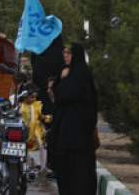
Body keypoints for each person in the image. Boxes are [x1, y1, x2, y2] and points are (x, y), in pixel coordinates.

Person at [47, 43, 98, 195]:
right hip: (65, 129)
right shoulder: (66, 73)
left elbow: (65, 96)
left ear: (76, 55)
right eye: (64, 53)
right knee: (65, 169)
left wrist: (60, 82)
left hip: (79, 132)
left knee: (79, 172)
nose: (65, 56)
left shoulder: (80, 74)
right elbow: (57, 99)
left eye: (69, 53)